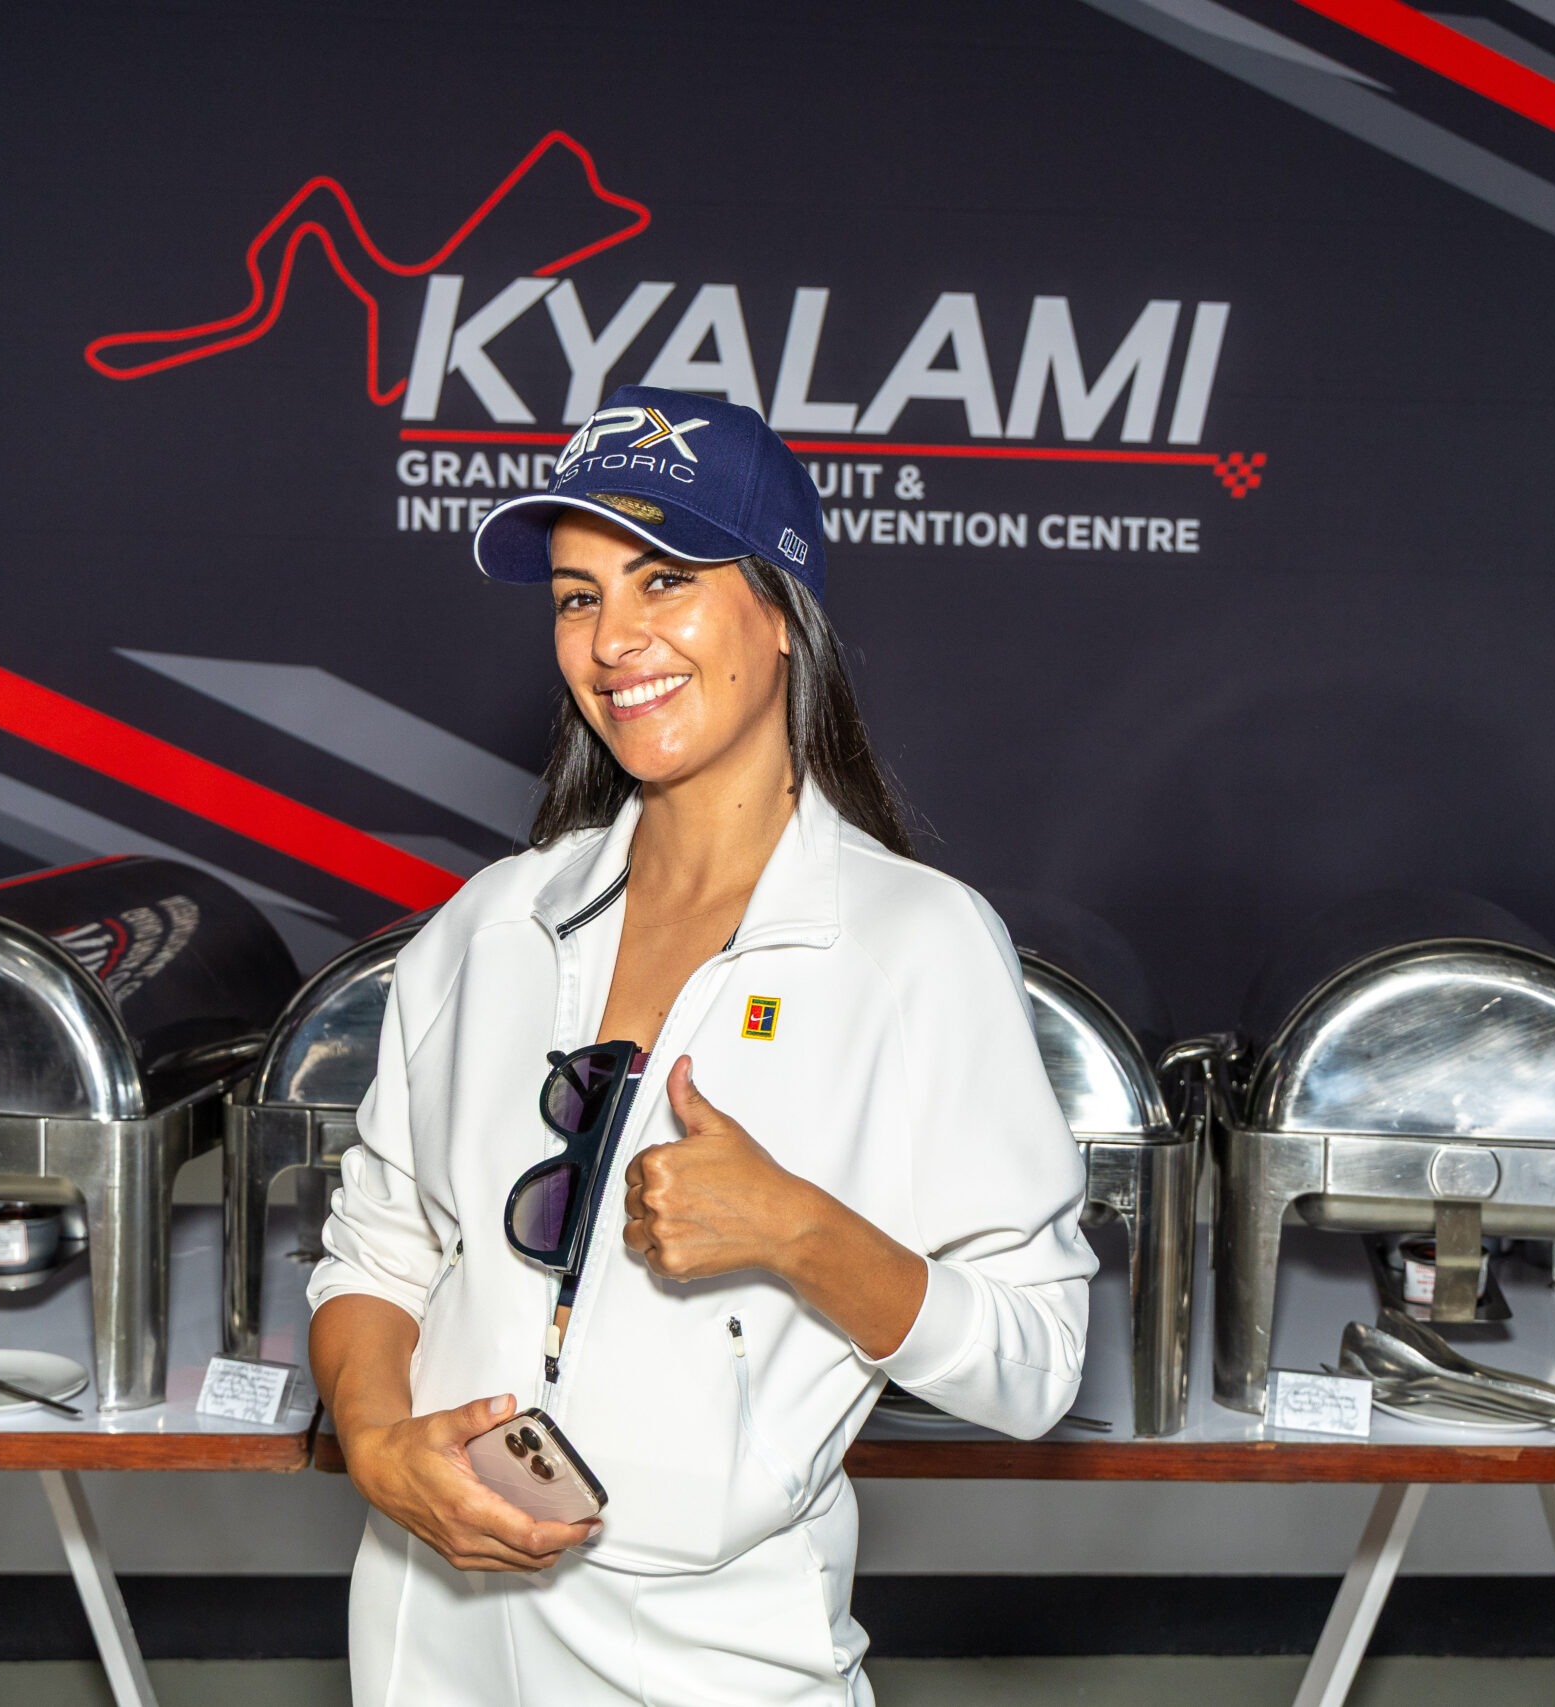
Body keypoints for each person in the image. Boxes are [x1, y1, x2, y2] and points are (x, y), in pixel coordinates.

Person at [307, 384, 1096, 1705]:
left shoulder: (915, 944)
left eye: (664, 578)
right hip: (431, 1619)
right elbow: (376, 1253)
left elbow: (1038, 1365)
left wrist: (800, 1231)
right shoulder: (491, 924)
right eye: (577, 596)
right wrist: (380, 1447)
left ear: (781, 611)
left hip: (715, 1650)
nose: (614, 638)